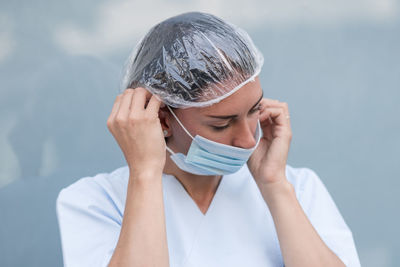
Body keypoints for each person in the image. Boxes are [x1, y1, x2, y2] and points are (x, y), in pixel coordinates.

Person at [56, 11, 361, 267]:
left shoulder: (299, 188)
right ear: (161, 118)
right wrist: (146, 174)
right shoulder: (95, 202)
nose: (246, 140)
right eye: (222, 124)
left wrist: (274, 185)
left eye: (254, 111)